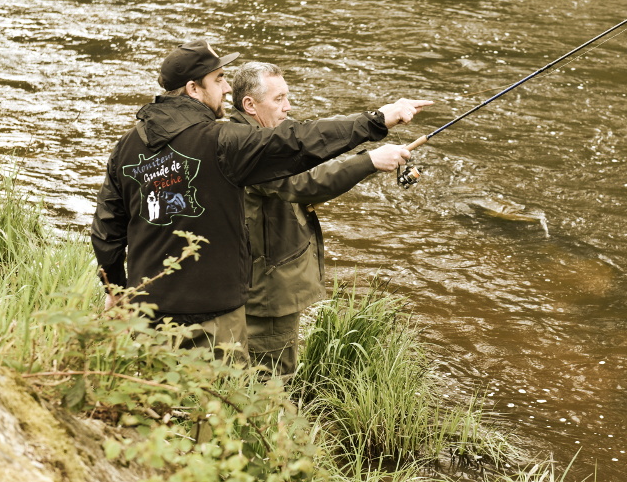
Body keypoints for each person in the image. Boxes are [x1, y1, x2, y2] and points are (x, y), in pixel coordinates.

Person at [91, 38, 431, 359]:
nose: (227, 87)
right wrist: (375, 121)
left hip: (147, 307)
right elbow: (298, 142)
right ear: (194, 89)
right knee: (220, 409)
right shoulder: (223, 140)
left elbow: (107, 226)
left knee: (158, 405)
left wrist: (117, 289)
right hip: (215, 313)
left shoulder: (127, 146)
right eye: (219, 78)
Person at [229, 62, 413, 378]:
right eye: (278, 99)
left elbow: (313, 145)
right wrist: (368, 161)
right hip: (267, 289)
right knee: (272, 378)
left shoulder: (258, 135)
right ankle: (270, 425)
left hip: (261, 281)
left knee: (261, 368)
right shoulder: (249, 145)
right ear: (250, 104)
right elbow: (305, 184)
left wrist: (378, 124)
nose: (288, 107)